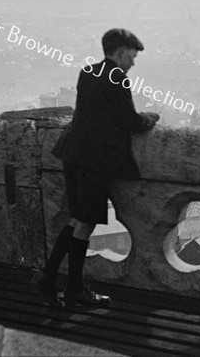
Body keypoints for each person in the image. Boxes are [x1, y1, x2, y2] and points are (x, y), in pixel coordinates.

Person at [33, 28, 159, 308]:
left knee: (77, 218)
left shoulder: (88, 72)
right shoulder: (118, 79)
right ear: (121, 51)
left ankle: (48, 277)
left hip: (73, 152)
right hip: (94, 159)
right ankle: (72, 288)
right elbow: (130, 121)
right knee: (85, 222)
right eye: (133, 55)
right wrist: (149, 117)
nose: (134, 62)